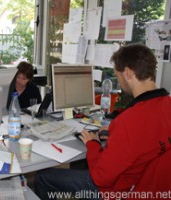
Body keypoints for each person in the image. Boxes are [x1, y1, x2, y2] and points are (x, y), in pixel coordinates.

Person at [35, 43, 171, 200]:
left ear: (127, 73)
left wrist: (93, 144)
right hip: (156, 191)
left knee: (43, 177)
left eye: (118, 76)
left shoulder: (128, 121)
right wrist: (114, 135)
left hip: (119, 192)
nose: (119, 83)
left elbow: (100, 177)